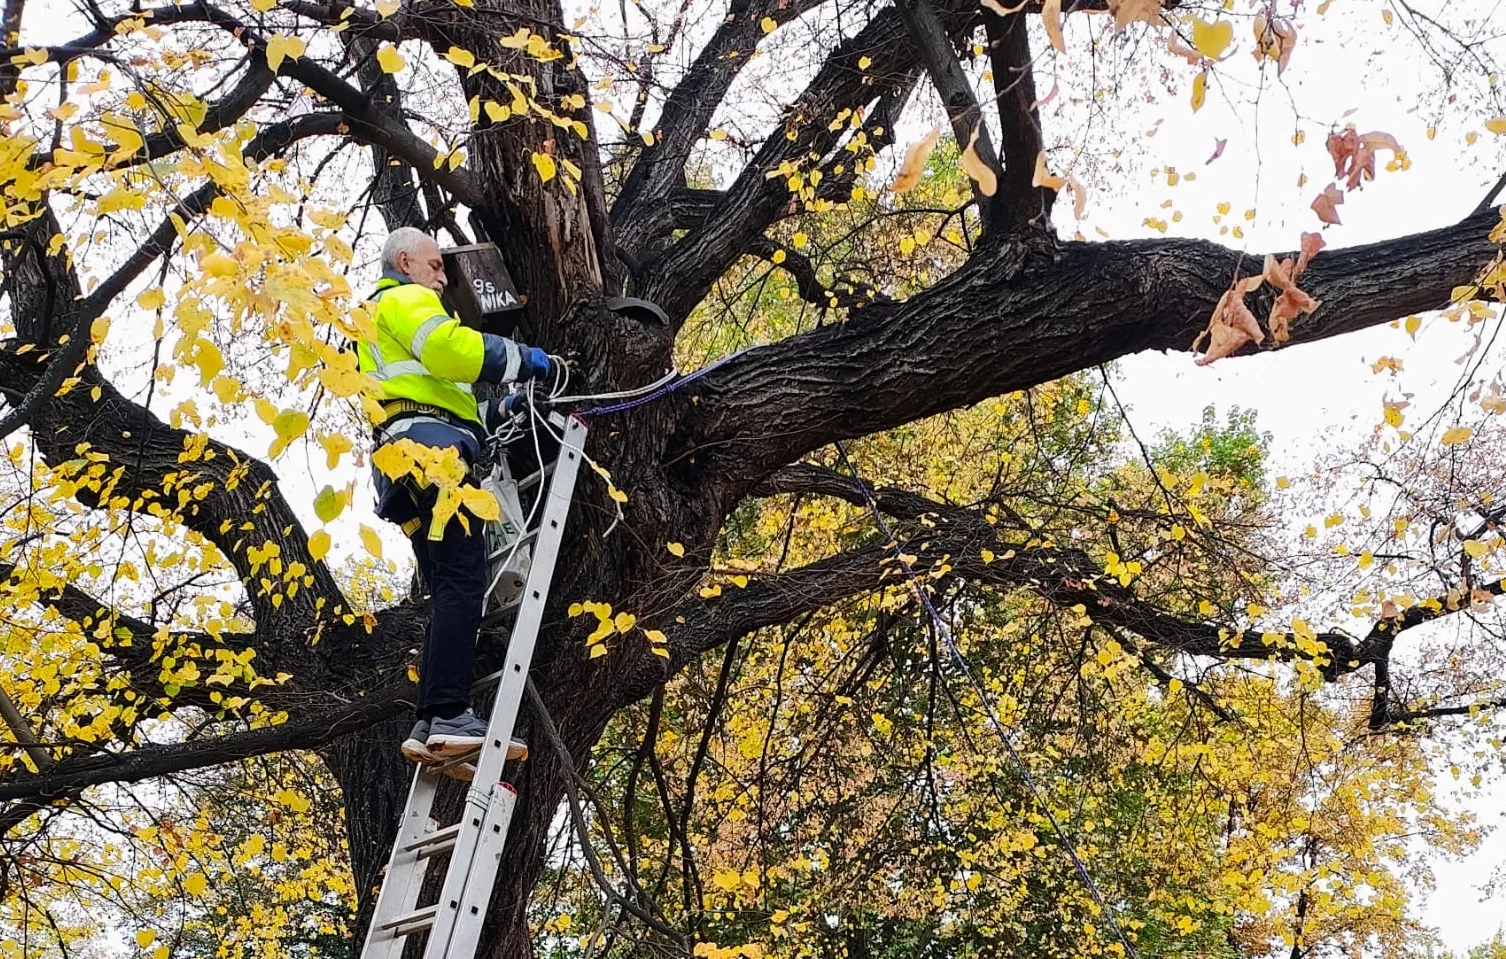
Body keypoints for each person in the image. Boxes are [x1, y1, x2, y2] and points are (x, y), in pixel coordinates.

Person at [357, 227, 550, 771]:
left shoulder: (374, 323)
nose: (444, 277)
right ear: (405, 262)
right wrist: (528, 359)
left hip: (406, 462)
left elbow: (438, 400)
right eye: (436, 265)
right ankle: (449, 715)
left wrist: (499, 411)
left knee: (448, 588)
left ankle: (429, 723)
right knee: (465, 582)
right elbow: (449, 351)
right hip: (432, 457)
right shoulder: (404, 299)